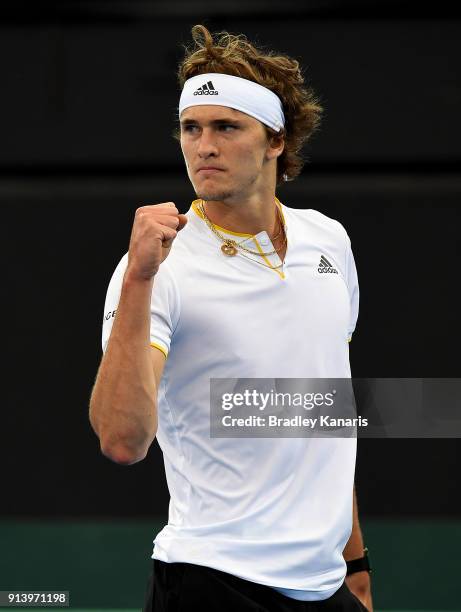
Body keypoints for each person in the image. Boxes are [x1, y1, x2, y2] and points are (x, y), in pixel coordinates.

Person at [89, 24, 373, 612]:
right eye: (191, 128)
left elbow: (321, 411)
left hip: (324, 587)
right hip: (208, 582)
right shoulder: (157, 265)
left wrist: (356, 568)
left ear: (275, 141)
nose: (203, 146)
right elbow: (122, 440)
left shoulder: (329, 242)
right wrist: (141, 278)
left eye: (226, 127)